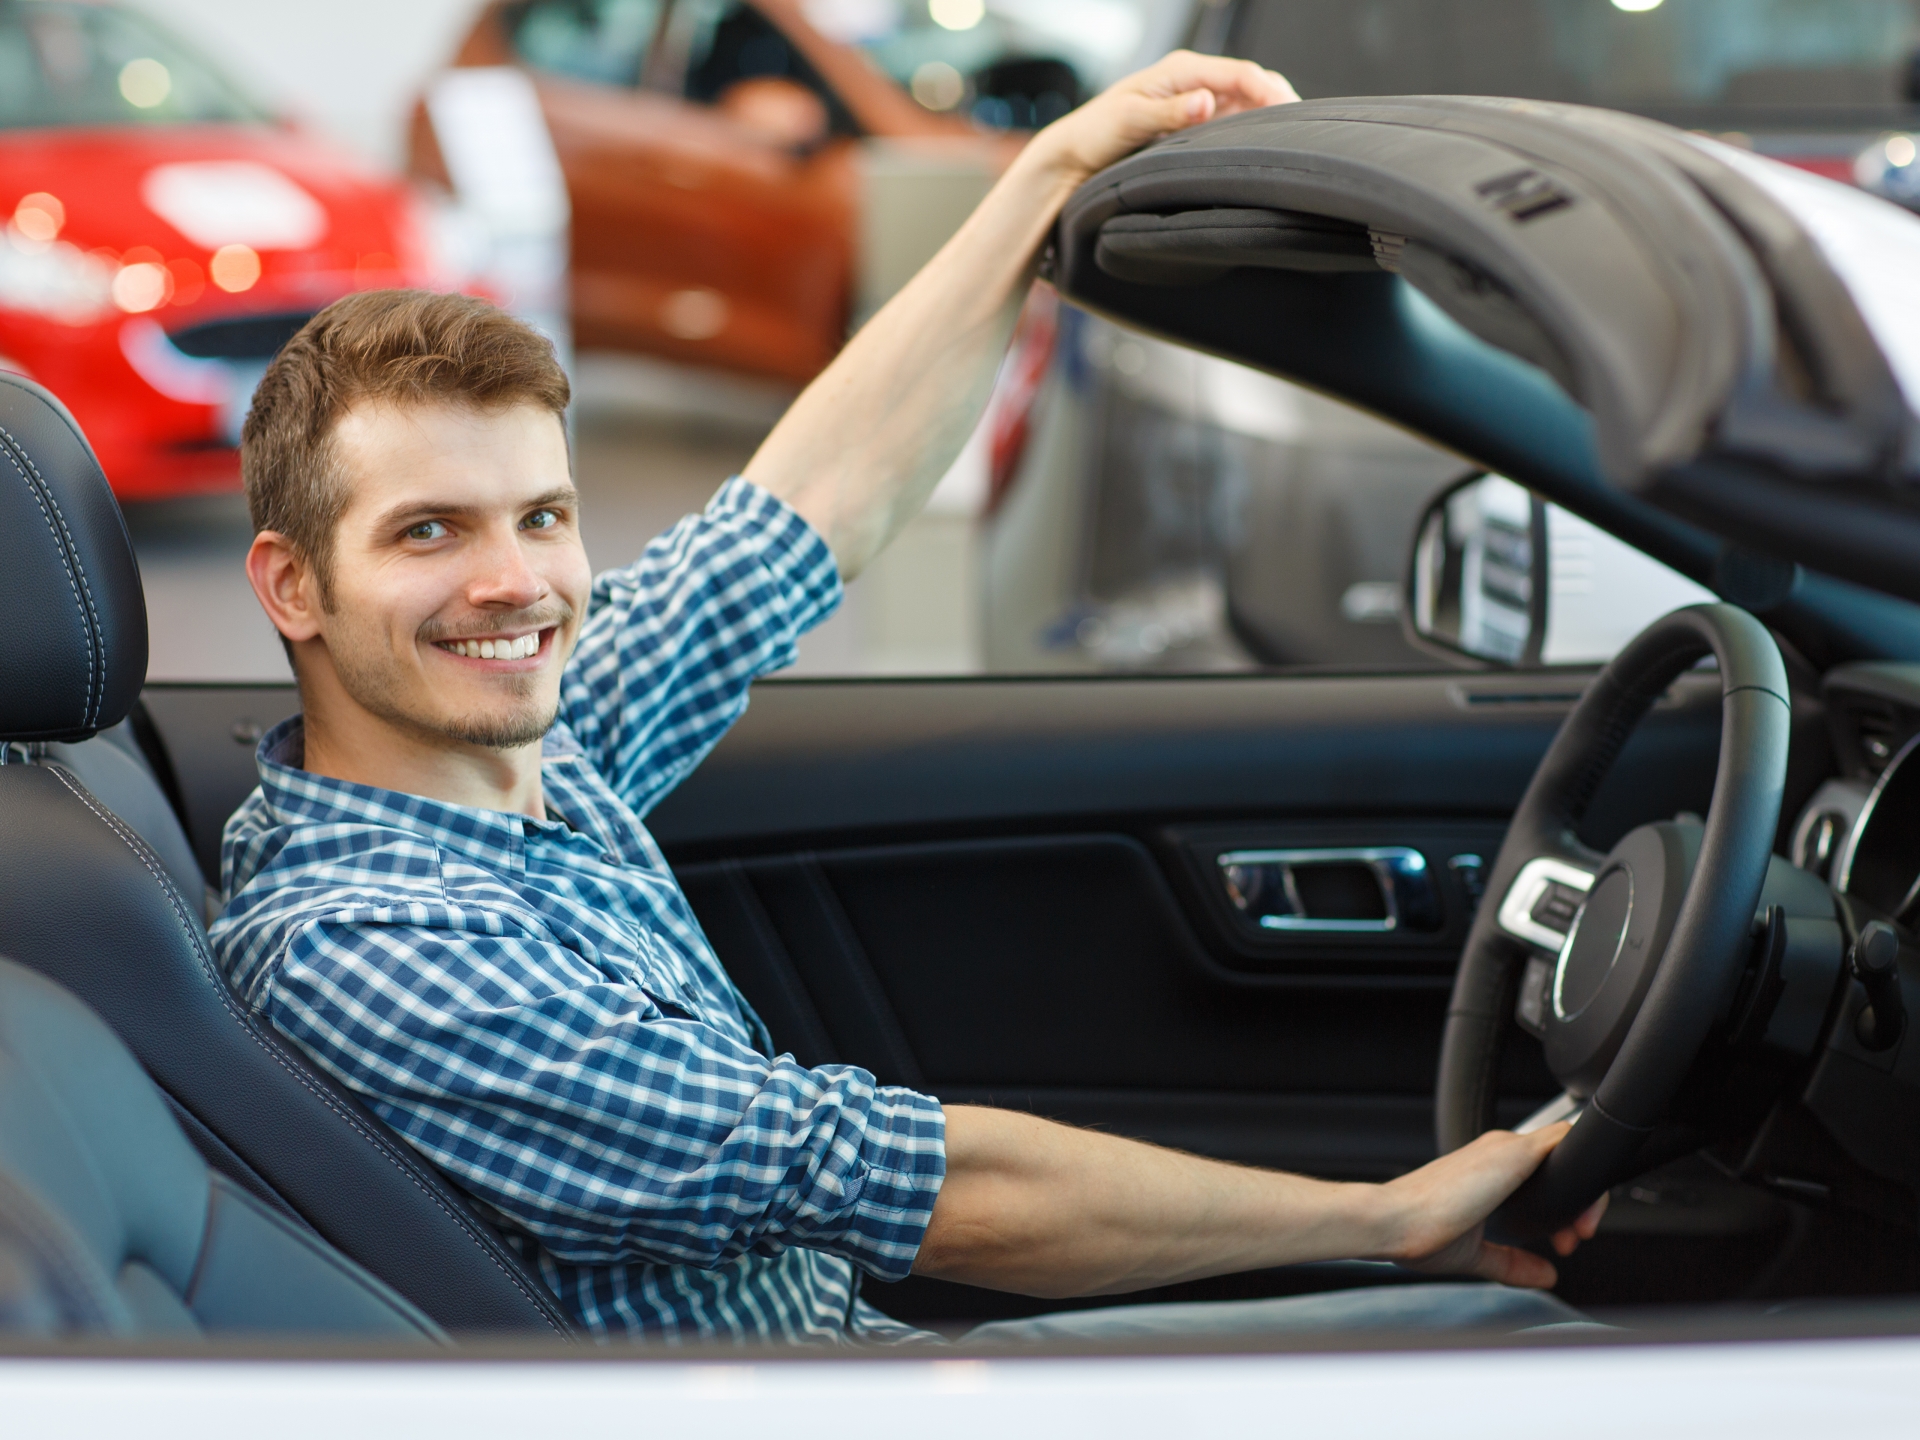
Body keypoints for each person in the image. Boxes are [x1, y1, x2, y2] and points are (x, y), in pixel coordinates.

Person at [214, 51, 1603, 1346]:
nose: (517, 586)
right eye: (428, 532)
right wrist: (1388, 1220)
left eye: (543, 514)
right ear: (291, 587)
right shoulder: (370, 947)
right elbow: (926, 1188)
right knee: (1511, 1349)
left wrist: (1045, 179)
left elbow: (808, 508)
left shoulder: (521, 745)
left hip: (850, 1345)